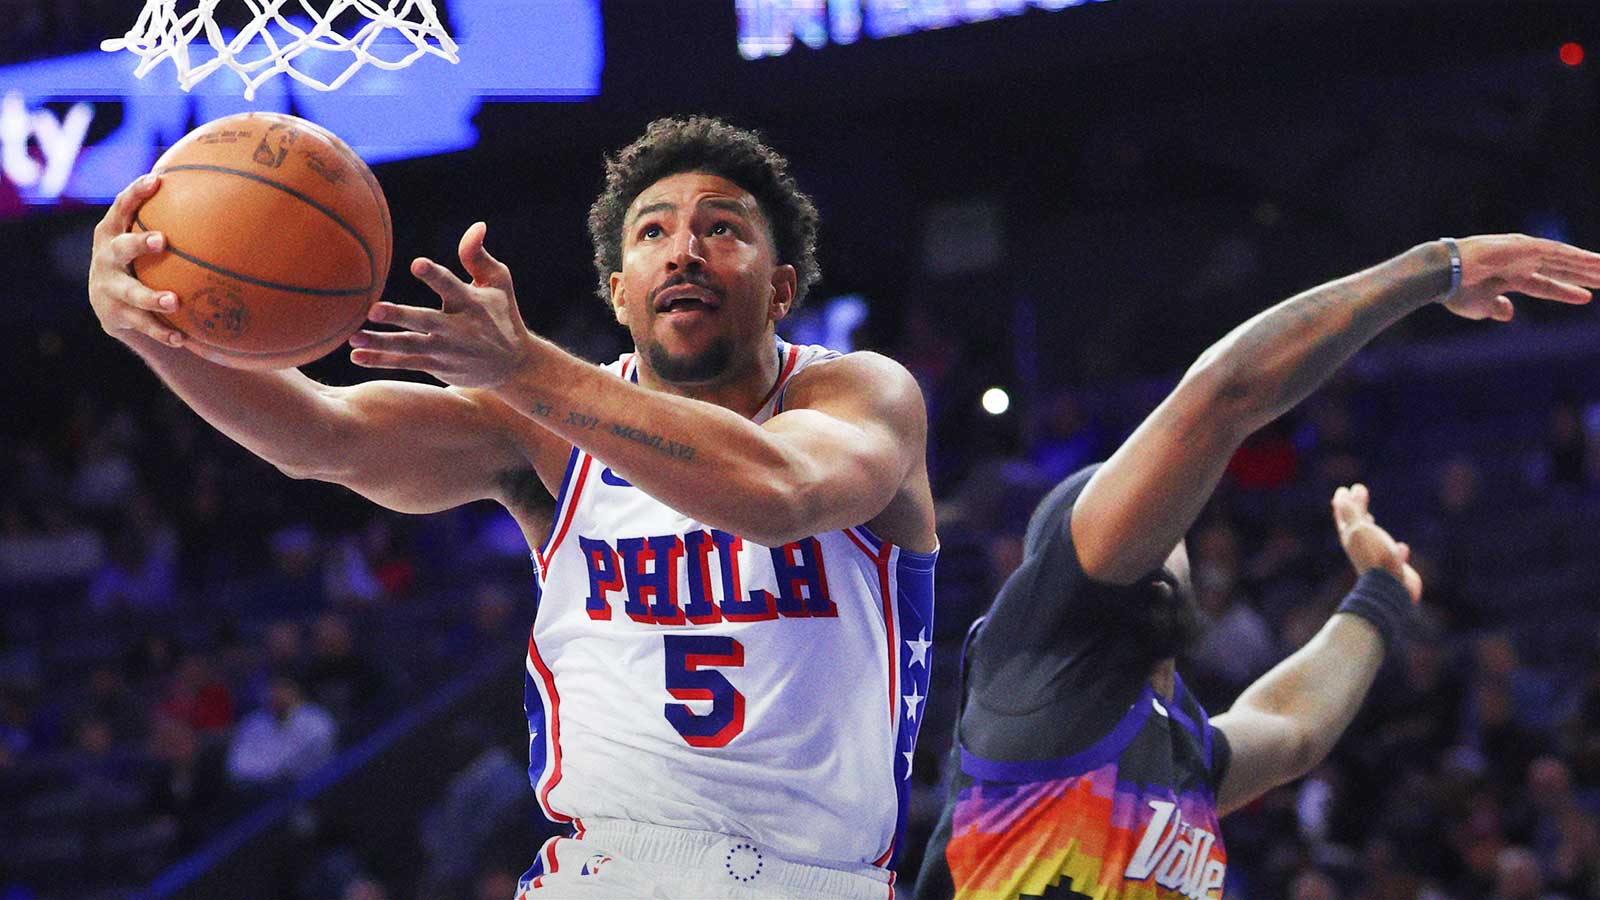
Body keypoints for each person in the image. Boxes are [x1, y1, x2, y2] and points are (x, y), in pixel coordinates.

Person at [88, 116, 937, 898]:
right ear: (617, 292)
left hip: (814, 878)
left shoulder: (859, 395)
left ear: (782, 288)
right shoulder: (543, 431)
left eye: (721, 227)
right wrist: (153, 324)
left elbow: (781, 494)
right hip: (604, 868)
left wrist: (523, 366)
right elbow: (321, 434)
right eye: (653, 232)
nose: (683, 250)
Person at [914, 234, 1600, 899]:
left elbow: (1294, 725)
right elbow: (1225, 395)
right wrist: (1435, 268)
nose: (1175, 518)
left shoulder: (1182, 750)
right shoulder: (1043, 664)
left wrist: (1382, 594)